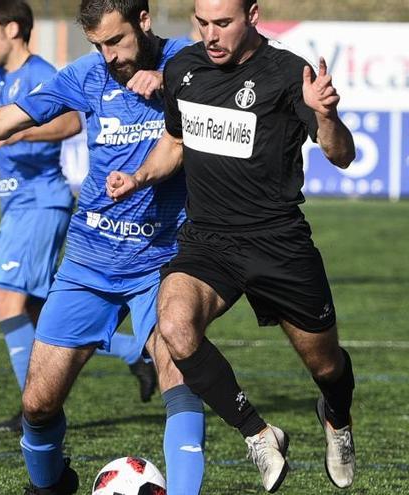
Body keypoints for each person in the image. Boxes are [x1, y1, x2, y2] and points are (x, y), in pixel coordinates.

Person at [0, 1, 205, 493]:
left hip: (165, 260)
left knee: (180, 380)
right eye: (98, 46)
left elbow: (236, 79)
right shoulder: (85, 74)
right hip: (90, 259)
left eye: (115, 41)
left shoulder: (190, 60)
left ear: (144, 21)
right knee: (38, 403)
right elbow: (2, 119)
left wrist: (172, 77)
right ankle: (49, 487)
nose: (109, 56)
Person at [107, 0, 357, 491]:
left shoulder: (288, 74)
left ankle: (338, 417)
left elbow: (341, 154)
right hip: (209, 240)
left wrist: (326, 115)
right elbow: (175, 143)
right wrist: (138, 177)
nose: (211, 34)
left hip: (278, 241)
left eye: (223, 23)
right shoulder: (182, 69)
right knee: (174, 327)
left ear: (253, 15)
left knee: (326, 365)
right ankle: (260, 434)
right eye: (202, 23)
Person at [0, 0, 157, 434]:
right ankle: (134, 352)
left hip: (39, 202)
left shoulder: (38, 74)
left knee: (6, 302)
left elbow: (72, 122)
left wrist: (23, 128)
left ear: (13, 29)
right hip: (21, 203)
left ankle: (31, 413)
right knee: (41, 314)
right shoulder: (3, 73)